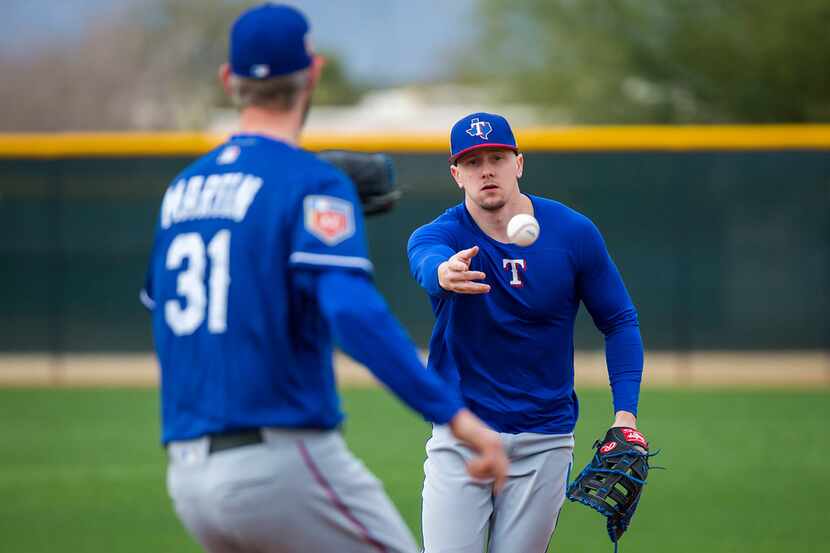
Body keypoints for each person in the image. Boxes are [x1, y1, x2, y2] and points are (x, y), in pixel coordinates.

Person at [140, 6, 508, 553]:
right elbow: (353, 314)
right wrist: (454, 416)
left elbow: (166, 314)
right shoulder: (312, 183)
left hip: (188, 474)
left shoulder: (182, 191)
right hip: (281, 462)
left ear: (228, 81)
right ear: (313, 73)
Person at [407, 112, 645, 553]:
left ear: (518, 163)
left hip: (545, 439)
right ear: (456, 174)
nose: (486, 170)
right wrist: (442, 272)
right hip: (462, 435)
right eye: (473, 162)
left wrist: (624, 415)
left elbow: (619, 320)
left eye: (497, 157)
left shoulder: (572, 233)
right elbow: (424, 258)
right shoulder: (442, 235)